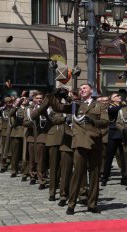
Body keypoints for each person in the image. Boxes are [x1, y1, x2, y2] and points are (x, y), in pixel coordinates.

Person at [47, 83, 109, 215]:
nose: (82, 90)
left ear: (91, 91)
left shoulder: (100, 105)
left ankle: (92, 204)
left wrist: (93, 121)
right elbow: (58, 107)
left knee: (94, 175)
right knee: (77, 175)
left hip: (95, 142)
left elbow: (105, 122)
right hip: (80, 143)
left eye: (84, 88)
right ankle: (71, 204)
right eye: (80, 89)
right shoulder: (76, 105)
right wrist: (52, 94)